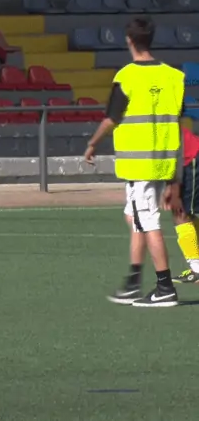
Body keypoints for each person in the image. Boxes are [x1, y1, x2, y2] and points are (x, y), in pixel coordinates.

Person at [85, 17, 185, 308]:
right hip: (162, 163)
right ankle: (133, 281)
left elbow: (111, 119)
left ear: (129, 40)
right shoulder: (173, 77)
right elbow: (176, 126)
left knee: (147, 221)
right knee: (135, 218)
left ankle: (165, 287)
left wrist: (92, 143)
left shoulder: (126, 76)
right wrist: (174, 179)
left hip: (140, 166)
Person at [167, 126, 199, 283]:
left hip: (190, 159)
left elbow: (172, 157)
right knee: (186, 213)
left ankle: (197, 270)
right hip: (189, 158)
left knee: (180, 213)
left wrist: (174, 190)